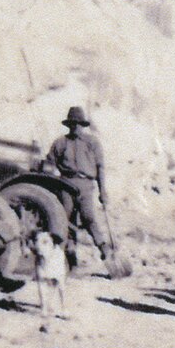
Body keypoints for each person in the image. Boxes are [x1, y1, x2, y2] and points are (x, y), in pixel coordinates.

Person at [42, 106, 111, 266]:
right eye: (72, 124)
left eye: (78, 124)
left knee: (88, 218)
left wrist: (103, 191)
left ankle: (104, 249)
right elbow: (50, 163)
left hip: (86, 185)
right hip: (66, 184)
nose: (75, 127)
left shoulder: (92, 143)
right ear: (69, 125)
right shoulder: (60, 143)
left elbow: (100, 167)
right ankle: (70, 257)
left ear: (83, 125)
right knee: (65, 220)